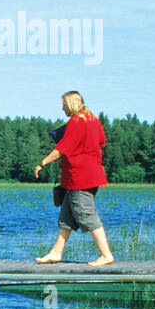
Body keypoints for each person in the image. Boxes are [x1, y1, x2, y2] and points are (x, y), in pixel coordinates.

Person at [34, 91, 114, 266]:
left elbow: (62, 148)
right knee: (66, 217)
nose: (62, 108)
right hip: (85, 176)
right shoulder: (92, 119)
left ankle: (106, 254)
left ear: (71, 104)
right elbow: (101, 141)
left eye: (64, 104)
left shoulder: (77, 121)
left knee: (87, 215)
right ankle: (56, 252)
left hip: (81, 177)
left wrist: (43, 163)